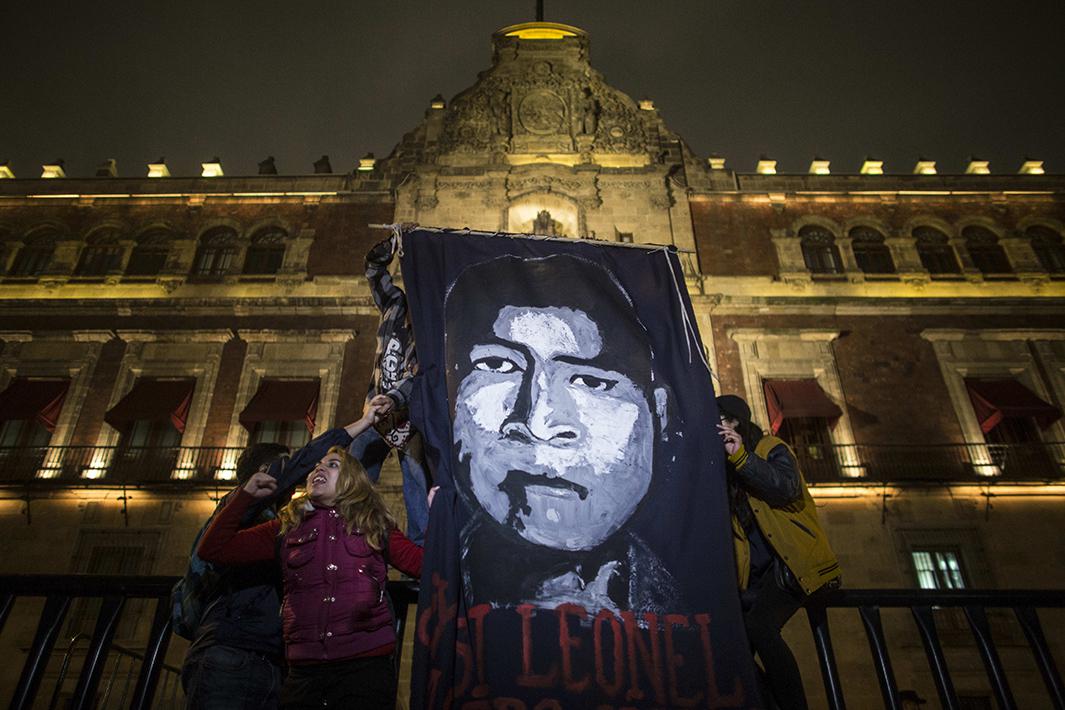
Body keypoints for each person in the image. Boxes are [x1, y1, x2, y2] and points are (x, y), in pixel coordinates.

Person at [445, 252, 681, 614]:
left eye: (591, 381)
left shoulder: (686, 600)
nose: (538, 423)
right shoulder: (441, 586)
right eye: (498, 365)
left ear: (659, 414)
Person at [197, 403, 425, 710]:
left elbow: (422, 564)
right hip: (303, 676)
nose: (319, 468)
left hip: (365, 671)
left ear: (352, 479)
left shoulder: (375, 523)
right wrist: (244, 496)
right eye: (317, 466)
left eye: (332, 465)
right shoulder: (287, 525)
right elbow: (214, 549)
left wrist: (442, 515)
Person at [716, 393, 840, 710]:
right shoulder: (726, 471)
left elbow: (786, 487)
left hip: (792, 566)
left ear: (735, 423)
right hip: (759, 578)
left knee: (760, 627)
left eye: (719, 421)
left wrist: (741, 457)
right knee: (730, 646)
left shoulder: (770, 448)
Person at [349, 232, 431, 545]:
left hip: (411, 419)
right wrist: (391, 244)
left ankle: (421, 550)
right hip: (375, 414)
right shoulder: (394, 304)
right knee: (356, 473)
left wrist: (394, 399)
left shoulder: (433, 327)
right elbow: (373, 270)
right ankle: (347, 530)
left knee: (417, 485)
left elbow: (421, 377)